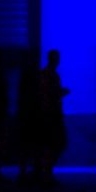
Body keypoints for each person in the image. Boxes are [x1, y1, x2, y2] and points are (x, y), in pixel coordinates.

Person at [32, 49, 69, 183]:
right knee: (55, 144)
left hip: (46, 114)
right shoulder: (51, 75)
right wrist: (60, 93)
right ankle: (46, 172)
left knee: (49, 144)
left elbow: (44, 94)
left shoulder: (45, 75)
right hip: (51, 114)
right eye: (57, 58)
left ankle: (44, 171)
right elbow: (49, 94)